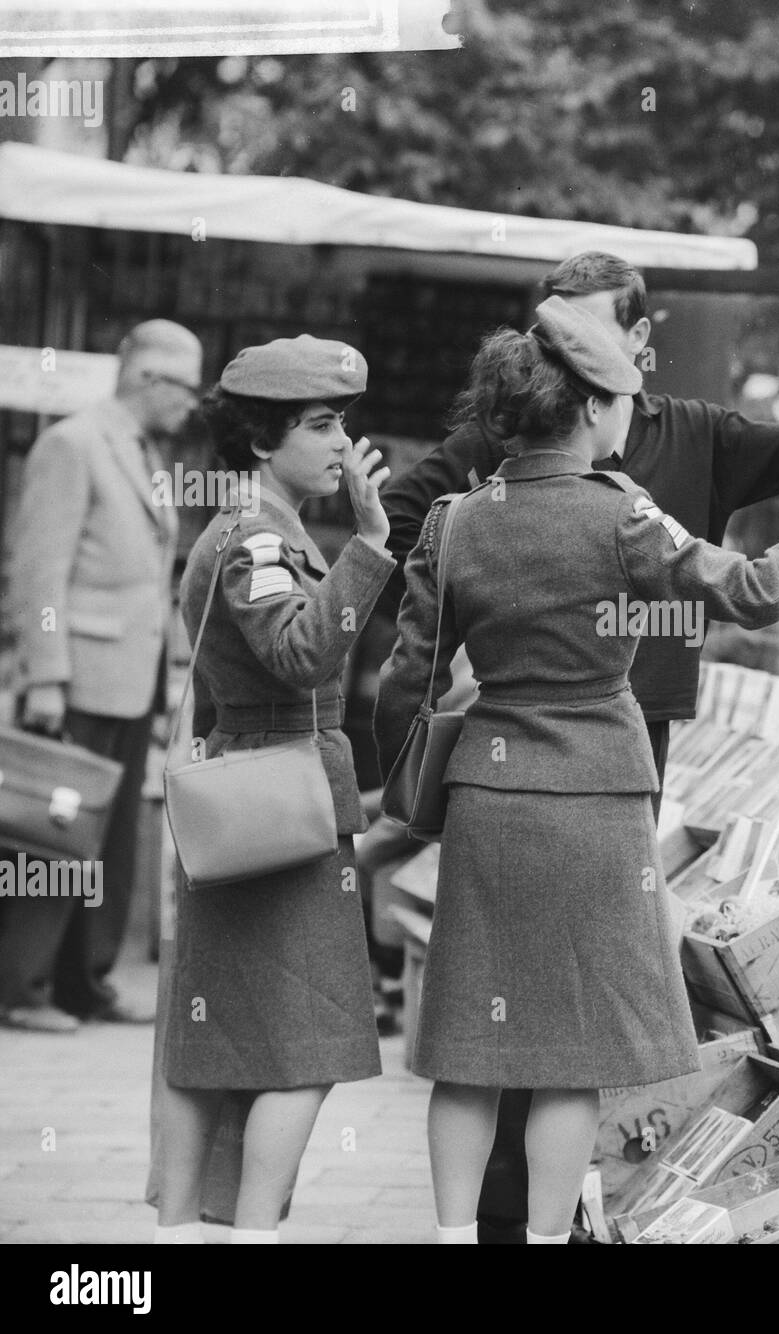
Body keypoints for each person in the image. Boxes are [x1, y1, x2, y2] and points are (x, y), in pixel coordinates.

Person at [376, 251, 779, 1240]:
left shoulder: (458, 522)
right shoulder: (623, 514)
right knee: (572, 1052)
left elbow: (403, 685)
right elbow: (756, 588)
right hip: (597, 793)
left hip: (487, 796)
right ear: (593, 407)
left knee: (472, 1045)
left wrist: (412, 783)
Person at [151, 336, 396, 1245]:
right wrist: (371, 549)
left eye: (343, 422)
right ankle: (252, 1234)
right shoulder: (256, 532)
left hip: (243, 794)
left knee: (211, 1045)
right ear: (262, 439)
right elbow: (296, 654)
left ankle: (179, 1234)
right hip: (282, 798)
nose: (343, 442)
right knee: (313, 1043)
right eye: (322, 424)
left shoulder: (254, 523)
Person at [0, 320, 200, 1033]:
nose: (192, 403)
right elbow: (38, 567)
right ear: (149, 379)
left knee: (106, 836)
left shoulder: (143, 451)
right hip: (77, 676)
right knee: (51, 834)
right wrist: (46, 673)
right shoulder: (74, 444)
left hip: (127, 674)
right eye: (185, 386)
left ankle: (85, 982)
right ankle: (22, 987)